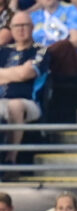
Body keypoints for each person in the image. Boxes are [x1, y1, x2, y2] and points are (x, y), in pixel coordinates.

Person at [0, 11, 49, 171]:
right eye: (16, 26)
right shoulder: (3, 51)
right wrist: (18, 73)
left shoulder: (41, 51)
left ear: (32, 27)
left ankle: (10, 160)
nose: (20, 29)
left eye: (24, 25)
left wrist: (6, 74)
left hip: (28, 102)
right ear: (11, 29)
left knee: (15, 105)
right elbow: (21, 73)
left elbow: (27, 74)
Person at [31, 0, 77, 77]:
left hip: (65, 59)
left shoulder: (71, 10)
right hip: (38, 57)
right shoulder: (34, 16)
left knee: (64, 45)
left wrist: (47, 51)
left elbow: (76, 42)